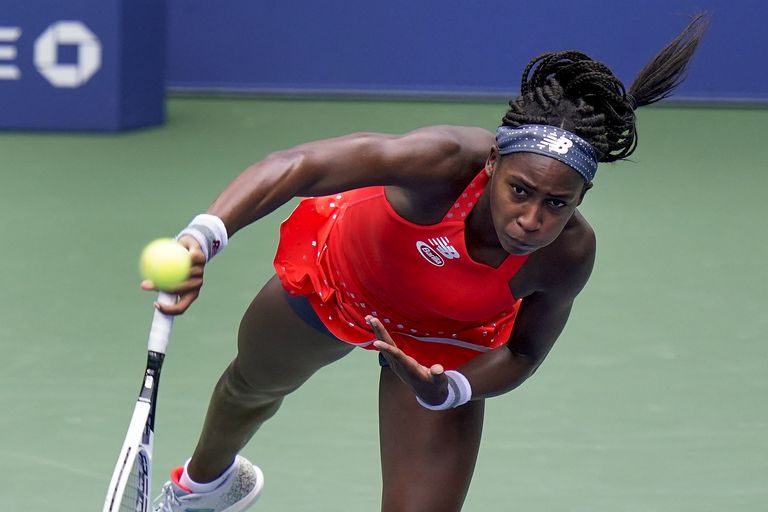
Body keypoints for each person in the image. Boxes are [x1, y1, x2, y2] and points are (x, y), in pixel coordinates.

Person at [148, 14, 708, 512]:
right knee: (251, 388)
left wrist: (452, 390)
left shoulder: (568, 256)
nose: (532, 219)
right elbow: (299, 165)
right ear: (493, 162)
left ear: (580, 200)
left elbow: (522, 352)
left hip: (445, 345)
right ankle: (204, 488)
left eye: (557, 203)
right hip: (343, 279)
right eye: (520, 190)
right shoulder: (440, 163)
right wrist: (204, 235)